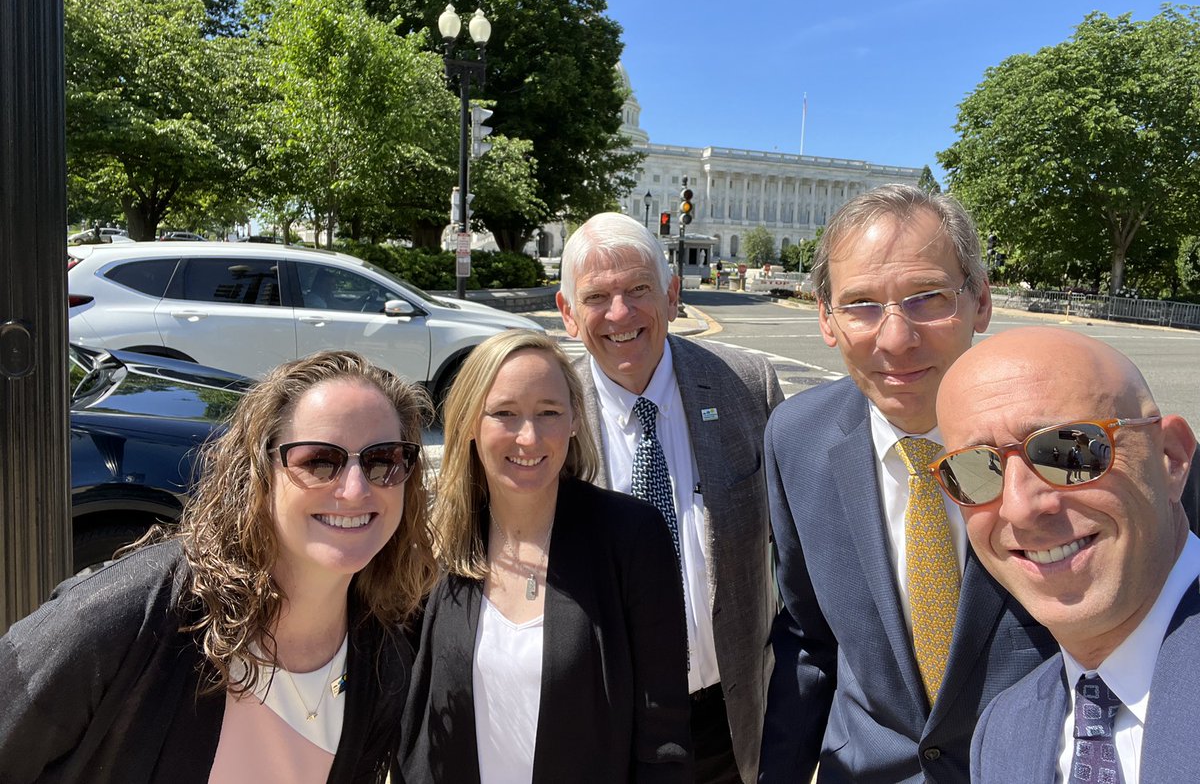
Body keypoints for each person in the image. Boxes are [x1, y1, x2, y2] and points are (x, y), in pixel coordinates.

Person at [0, 350, 438, 783]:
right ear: (259, 475)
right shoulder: (130, 617)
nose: (355, 489)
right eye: (320, 461)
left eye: (383, 460)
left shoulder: (383, 655)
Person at [759, 185, 1058, 784]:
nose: (895, 339)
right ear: (826, 319)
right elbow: (807, 636)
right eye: (861, 304)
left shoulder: (1069, 439)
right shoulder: (794, 438)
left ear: (980, 302)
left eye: (927, 298)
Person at [401, 329, 693, 782]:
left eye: (549, 412)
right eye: (505, 414)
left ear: (575, 419)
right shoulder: (434, 544)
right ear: (469, 425)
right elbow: (409, 718)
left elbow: (664, 733)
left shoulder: (632, 536)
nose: (529, 437)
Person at [556, 213, 783, 784]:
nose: (620, 314)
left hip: (727, 720)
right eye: (597, 297)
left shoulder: (747, 386)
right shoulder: (545, 413)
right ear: (566, 313)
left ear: (673, 295)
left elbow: (797, 558)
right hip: (598, 721)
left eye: (638, 290)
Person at [929, 327, 1198, 783]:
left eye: (1069, 452)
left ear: (1170, 458)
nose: (1020, 507)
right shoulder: (1003, 733)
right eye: (973, 469)